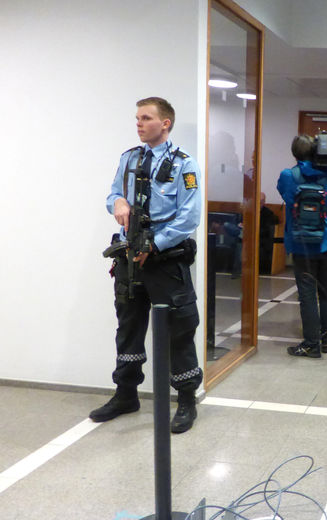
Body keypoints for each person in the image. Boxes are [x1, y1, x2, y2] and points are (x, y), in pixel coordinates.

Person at [90, 97, 203, 434]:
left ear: (165, 123)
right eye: (137, 118)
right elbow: (112, 195)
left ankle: (185, 401)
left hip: (164, 261)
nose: (139, 123)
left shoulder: (184, 165)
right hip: (128, 258)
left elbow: (189, 217)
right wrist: (119, 202)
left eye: (146, 118)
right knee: (128, 326)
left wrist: (154, 245)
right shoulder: (128, 159)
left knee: (178, 330)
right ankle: (126, 394)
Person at [278, 135, 327, 357]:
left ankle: (312, 344)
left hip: (302, 245)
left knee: (307, 295)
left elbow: (285, 194)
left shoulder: (288, 176)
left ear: (295, 154)